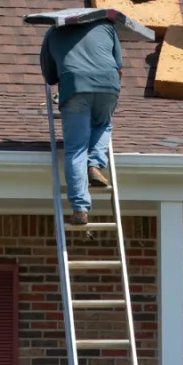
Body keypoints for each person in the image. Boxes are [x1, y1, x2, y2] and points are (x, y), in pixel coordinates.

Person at [40, 18, 124, 227]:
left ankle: (80, 208)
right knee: (103, 124)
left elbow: (50, 77)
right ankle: (94, 164)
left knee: (76, 149)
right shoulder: (106, 26)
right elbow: (119, 66)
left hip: (74, 86)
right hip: (108, 84)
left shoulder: (53, 31)